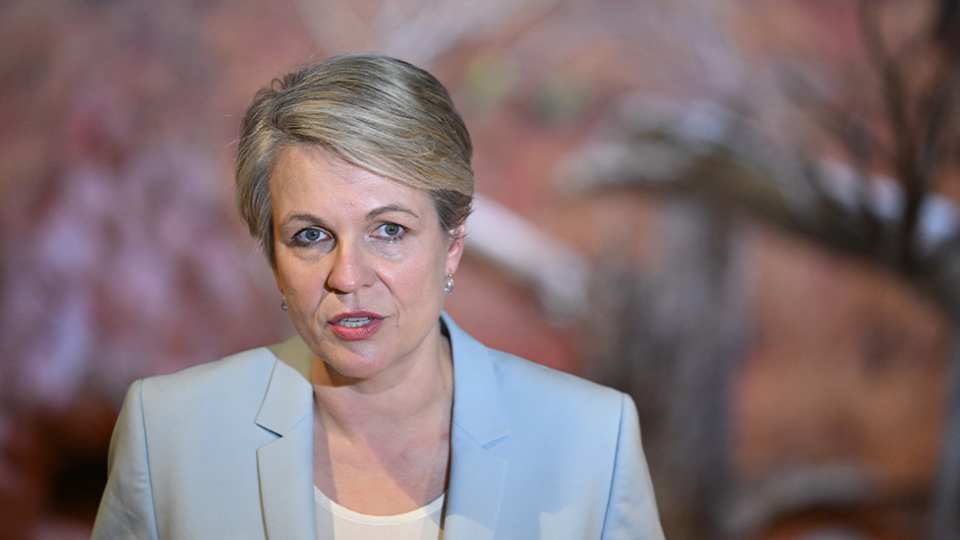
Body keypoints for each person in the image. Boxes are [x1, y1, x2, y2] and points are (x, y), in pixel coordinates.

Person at [91, 53, 665, 540]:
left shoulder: (591, 439)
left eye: (389, 230)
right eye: (310, 236)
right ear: (273, 258)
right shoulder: (167, 432)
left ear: (453, 245)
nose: (348, 276)